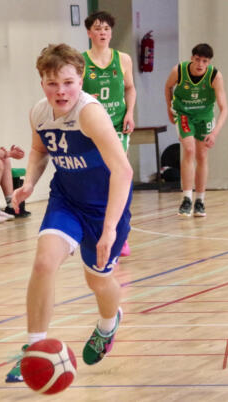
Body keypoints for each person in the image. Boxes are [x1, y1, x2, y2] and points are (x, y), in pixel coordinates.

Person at [5, 43, 133, 382]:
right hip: (67, 199)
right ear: (42, 83)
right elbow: (38, 150)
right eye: (52, 83)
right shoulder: (39, 113)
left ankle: (108, 324)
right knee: (44, 263)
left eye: (68, 83)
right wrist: (29, 183)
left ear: (81, 80)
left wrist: (109, 229)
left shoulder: (90, 114)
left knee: (98, 280)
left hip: (105, 205)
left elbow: (123, 172)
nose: (60, 91)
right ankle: (35, 348)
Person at [82, 10, 136, 256]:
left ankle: (121, 234)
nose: (102, 32)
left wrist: (130, 113)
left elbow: (130, 88)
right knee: (99, 180)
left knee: (120, 176)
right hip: (92, 127)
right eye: (98, 28)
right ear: (89, 32)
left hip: (117, 126)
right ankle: (100, 230)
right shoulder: (81, 62)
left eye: (106, 28)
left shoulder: (123, 59)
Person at [165, 43, 228, 217]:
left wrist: (214, 133)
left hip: (204, 116)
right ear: (192, 58)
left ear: (209, 62)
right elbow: (168, 86)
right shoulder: (179, 71)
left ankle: (200, 200)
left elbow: (224, 108)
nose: (200, 64)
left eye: (205, 61)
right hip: (184, 114)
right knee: (189, 149)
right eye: (198, 59)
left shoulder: (215, 76)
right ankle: (186, 198)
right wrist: (169, 109)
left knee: (201, 155)